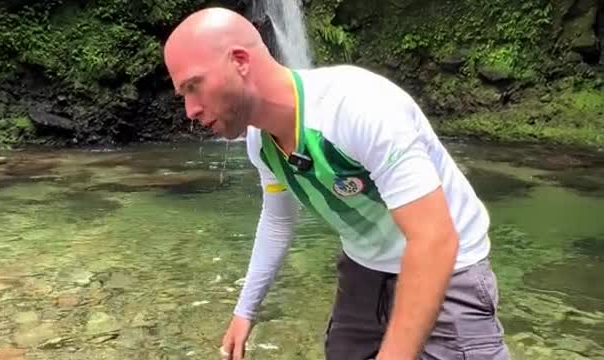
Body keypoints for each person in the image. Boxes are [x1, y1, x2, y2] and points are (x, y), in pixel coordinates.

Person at [163, 6, 510, 360]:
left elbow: (435, 239)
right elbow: (279, 221)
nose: (190, 110)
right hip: (364, 269)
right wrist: (244, 311)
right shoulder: (260, 142)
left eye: (194, 86)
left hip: (450, 267)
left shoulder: (359, 108)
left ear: (239, 61)